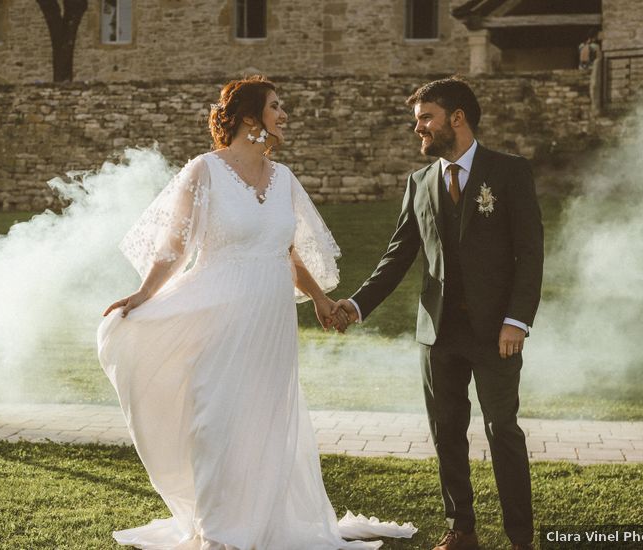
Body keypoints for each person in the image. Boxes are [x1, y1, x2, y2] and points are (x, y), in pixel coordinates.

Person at [97, 75, 417, 549]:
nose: (284, 114)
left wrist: (323, 302)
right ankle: (218, 527)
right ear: (250, 117)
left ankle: (263, 522)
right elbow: (174, 247)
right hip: (218, 309)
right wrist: (143, 294)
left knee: (263, 421)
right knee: (214, 418)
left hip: (270, 315)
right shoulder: (203, 171)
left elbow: (287, 252)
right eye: (276, 106)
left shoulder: (283, 177)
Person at [331, 77, 544, 550]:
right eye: (418, 121)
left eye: (426, 118)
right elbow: (398, 255)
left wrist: (517, 320)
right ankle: (462, 530)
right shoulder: (420, 182)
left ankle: (521, 539)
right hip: (439, 333)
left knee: (501, 430)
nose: (418, 129)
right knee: (447, 432)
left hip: (496, 333)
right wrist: (357, 304)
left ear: (457, 118)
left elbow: (530, 254)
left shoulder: (509, 172)